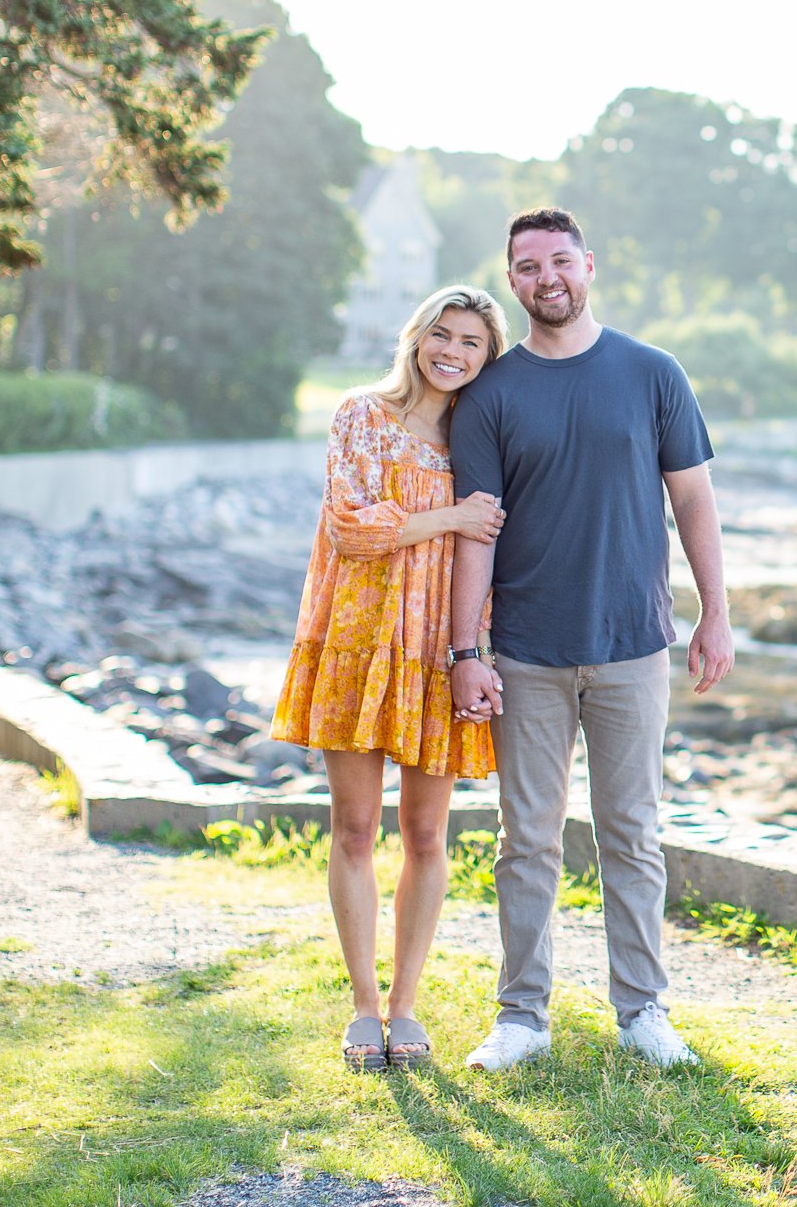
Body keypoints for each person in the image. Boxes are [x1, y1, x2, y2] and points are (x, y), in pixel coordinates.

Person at [446, 206, 733, 1073]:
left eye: (560, 261)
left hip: (633, 644)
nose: (547, 279)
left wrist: (714, 612)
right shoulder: (490, 395)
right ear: (513, 281)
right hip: (526, 651)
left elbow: (693, 501)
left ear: (589, 266)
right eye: (528, 267)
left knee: (633, 834)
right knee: (526, 838)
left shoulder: (652, 372)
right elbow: (475, 532)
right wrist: (466, 652)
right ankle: (521, 1018)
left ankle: (642, 1010)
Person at [269, 285, 510, 1072]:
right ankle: (362, 1008)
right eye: (442, 334)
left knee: (428, 833)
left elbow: (499, 547)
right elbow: (353, 526)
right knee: (352, 826)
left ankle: (406, 1005)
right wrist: (450, 516)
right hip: (358, 643)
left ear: (488, 356)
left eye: (471, 342)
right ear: (417, 337)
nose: (453, 352)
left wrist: (479, 648)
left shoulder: (483, 437)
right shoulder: (362, 413)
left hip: (442, 650)